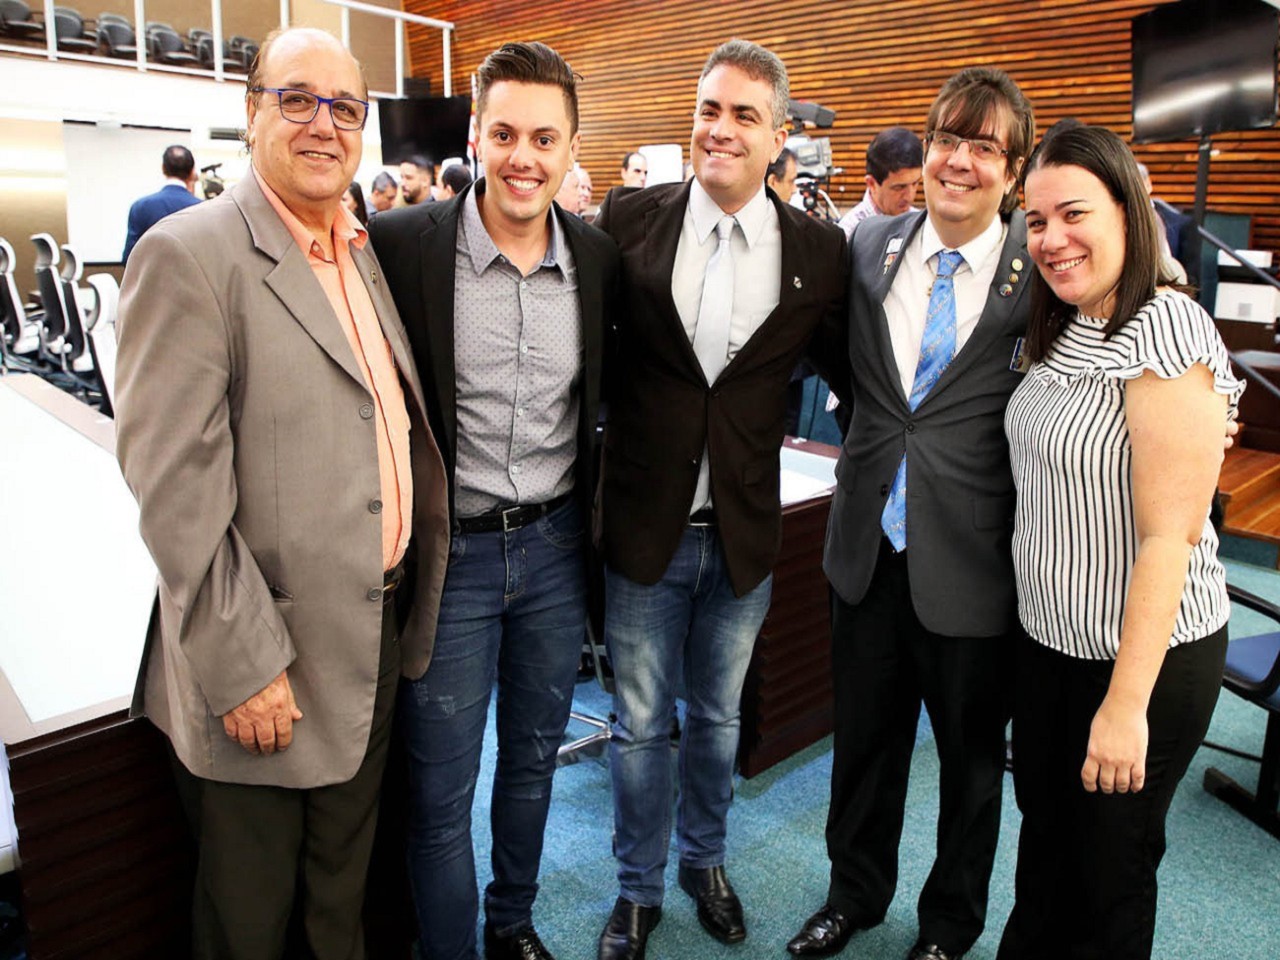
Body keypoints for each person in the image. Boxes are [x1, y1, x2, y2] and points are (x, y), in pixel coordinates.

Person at [113, 27, 450, 960]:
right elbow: (173, 488)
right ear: (251, 110)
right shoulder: (190, 254)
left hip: (366, 637)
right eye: (297, 99)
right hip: (261, 662)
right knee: (249, 923)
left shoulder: (358, 249)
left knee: (339, 904)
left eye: (346, 107)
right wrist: (245, 665)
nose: (323, 125)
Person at [593, 39, 846, 960]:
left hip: (743, 533)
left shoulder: (817, 249)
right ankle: (636, 887)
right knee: (638, 726)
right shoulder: (627, 218)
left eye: (744, 114)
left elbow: (860, 376)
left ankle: (704, 861)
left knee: (719, 721)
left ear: (779, 136)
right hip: (643, 527)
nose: (721, 129)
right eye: (709, 109)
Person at [370, 41, 619, 960]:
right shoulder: (402, 246)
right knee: (439, 795)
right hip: (451, 562)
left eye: (545, 138)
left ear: (571, 147)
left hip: (554, 552)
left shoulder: (597, 258)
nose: (524, 156)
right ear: (475, 134)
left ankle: (512, 925)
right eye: (505, 133)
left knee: (530, 767)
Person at [789, 67, 1036, 960]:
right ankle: (852, 894)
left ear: (1014, 169)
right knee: (865, 743)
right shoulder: (868, 246)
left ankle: (948, 926)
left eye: (984, 147)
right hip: (866, 547)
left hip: (973, 559)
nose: (959, 161)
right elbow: (843, 368)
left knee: (971, 763)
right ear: (925, 150)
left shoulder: (1040, 270)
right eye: (946, 140)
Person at [998, 123, 1240, 960]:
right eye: (1036, 221)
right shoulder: (1064, 322)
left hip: (1141, 661)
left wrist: (1125, 706)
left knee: (1109, 875)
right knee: (1046, 845)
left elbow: (1170, 538)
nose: (1052, 239)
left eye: (1075, 214)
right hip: (1050, 645)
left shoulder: (1166, 328)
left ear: (1130, 214)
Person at [837, 126, 923, 238]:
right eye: (899, 187)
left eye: (915, 183)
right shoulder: (849, 234)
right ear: (872, 184)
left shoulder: (921, 224)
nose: (910, 196)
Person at [121, 144, 201, 262]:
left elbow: (129, 258)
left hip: (151, 274)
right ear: (191, 172)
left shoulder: (140, 207)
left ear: (163, 168)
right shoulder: (202, 208)